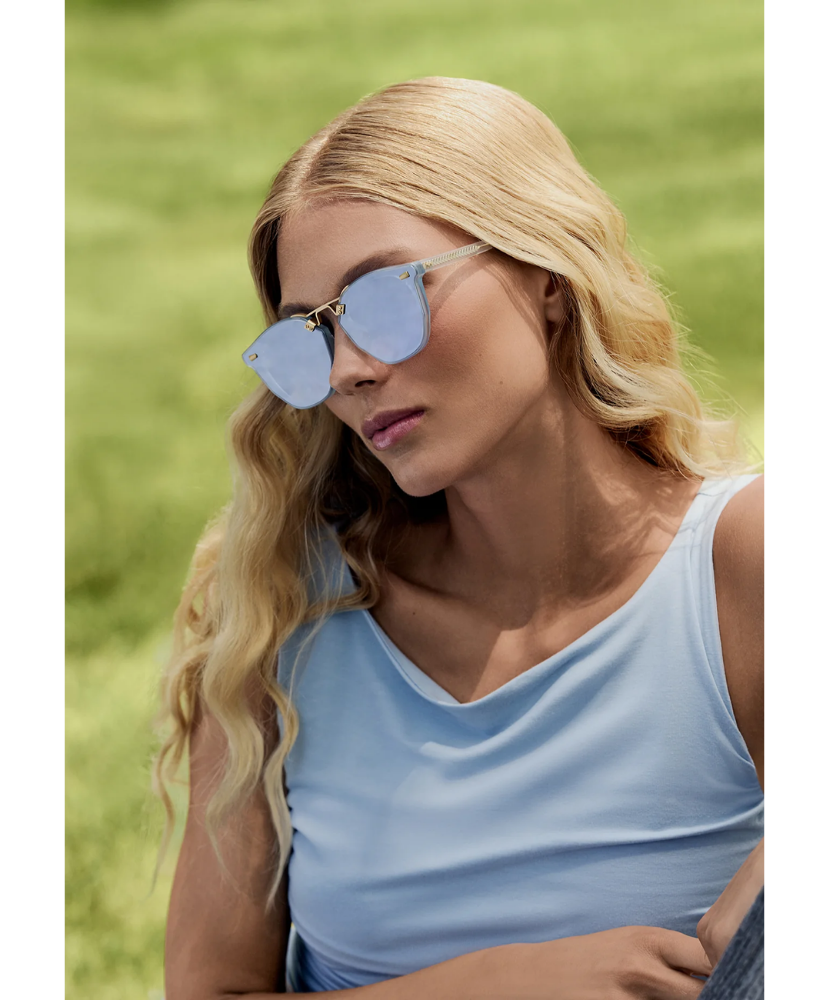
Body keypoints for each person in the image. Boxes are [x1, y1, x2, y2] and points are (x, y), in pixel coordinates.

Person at [157, 77, 765, 998]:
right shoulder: (279, 610)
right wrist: (497, 983)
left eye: (384, 300)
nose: (349, 371)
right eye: (308, 337)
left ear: (549, 279)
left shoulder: (735, 564)